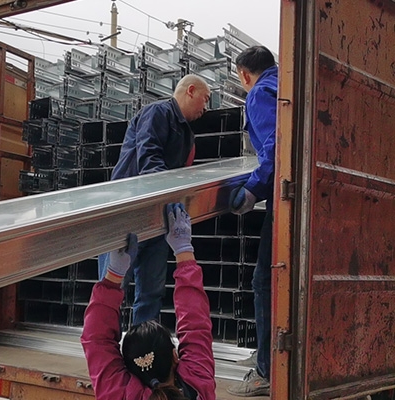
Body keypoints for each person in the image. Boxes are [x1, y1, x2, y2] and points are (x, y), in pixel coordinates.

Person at [98, 74, 211, 325]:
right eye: (205, 99)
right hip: (129, 211)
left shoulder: (185, 133)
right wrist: (175, 195)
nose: (206, 108)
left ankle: (144, 351)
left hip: (157, 217)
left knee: (151, 292)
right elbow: (149, 159)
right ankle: (103, 350)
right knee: (112, 287)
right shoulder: (158, 113)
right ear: (190, 91)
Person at [82, 203, 216, 400]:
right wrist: (183, 249)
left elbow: (197, 328)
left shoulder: (198, 386)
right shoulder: (117, 393)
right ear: (175, 357)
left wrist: (114, 274)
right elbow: (196, 326)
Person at [225, 46, 278, 397]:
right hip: (302, 194)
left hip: (285, 196)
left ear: (244, 75)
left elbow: (275, 149)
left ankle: (266, 370)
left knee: (263, 281)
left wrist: (251, 191)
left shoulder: (259, 93)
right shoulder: (286, 86)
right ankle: (272, 358)